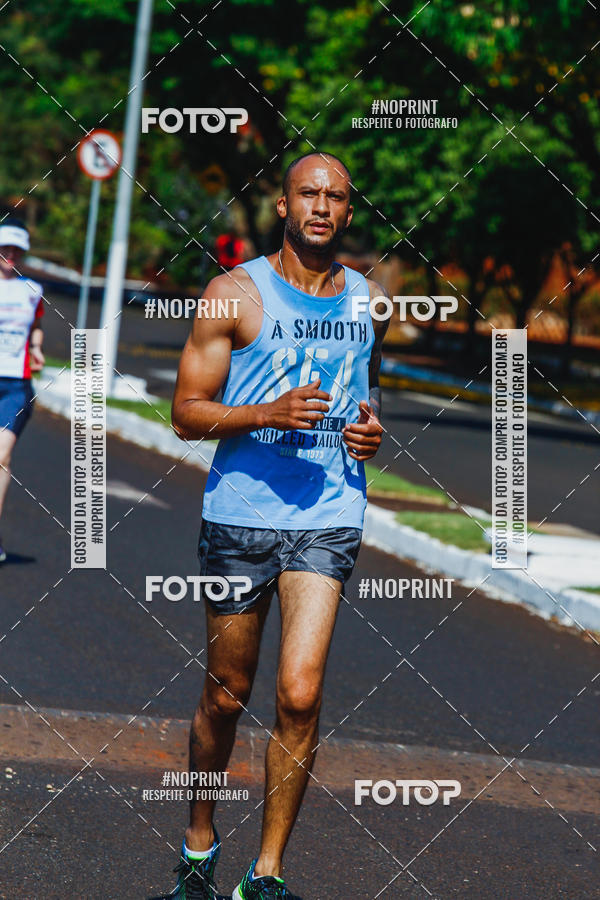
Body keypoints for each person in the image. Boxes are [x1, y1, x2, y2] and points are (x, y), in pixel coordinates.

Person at [152, 152, 388, 900]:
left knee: (300, 693)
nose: (321, 206)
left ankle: (268, 873)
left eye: (336, 197)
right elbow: (186, 413)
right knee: (227, 691)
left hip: (327, 514)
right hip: (240, 514)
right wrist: (265, 413)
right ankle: (198, 845)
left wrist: (370, 436)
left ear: (349, 213)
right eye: (308, 193)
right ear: (283, 206)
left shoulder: (365, 302)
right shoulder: (234, 293)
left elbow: (364, 397)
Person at [0, 219, 45, 563]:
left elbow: (36, 327)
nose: (10, 254)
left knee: (1, 458)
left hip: (16, 384)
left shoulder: (32, 289)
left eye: (16, 250)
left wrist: (36, 347)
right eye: (5, 248)